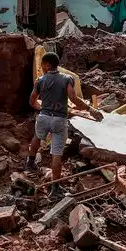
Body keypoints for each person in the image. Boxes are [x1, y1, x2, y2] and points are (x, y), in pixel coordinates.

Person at [25, 52, 101, 184]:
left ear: (47, 65)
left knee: (36, 138)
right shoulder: (67, 79)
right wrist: (90, 109)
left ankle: (30, 163)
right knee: (56, 153)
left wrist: (41, 109)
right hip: (59, 119)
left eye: (43, 64)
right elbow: (73, 98)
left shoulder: (39, 81)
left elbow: (32, 101)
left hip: (44, 116)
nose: (42, 67)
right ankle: (55, 187)